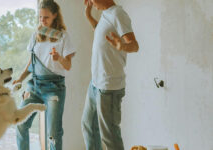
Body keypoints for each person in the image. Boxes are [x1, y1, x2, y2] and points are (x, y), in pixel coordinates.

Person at [12, 1, 75, 150]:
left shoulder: (63, 36)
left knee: (53, 133)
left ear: (55, 16)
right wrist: (20, 78)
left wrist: (59, 58)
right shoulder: (36, 35)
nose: (42, 20)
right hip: (34, 86)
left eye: (46, 17)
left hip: (54, 88)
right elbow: (31, 63)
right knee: (20, 123)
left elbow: (68, 66)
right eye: (40, 17)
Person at [81, 0, 139, 150]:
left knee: (109, 136)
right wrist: (88, 16)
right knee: (88, 126)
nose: (90, 2)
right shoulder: (106, 14)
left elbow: (134, 45)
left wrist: (122, 46)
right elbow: (100, 31)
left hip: (109, 87)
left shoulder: (118, 14)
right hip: (95, 84)